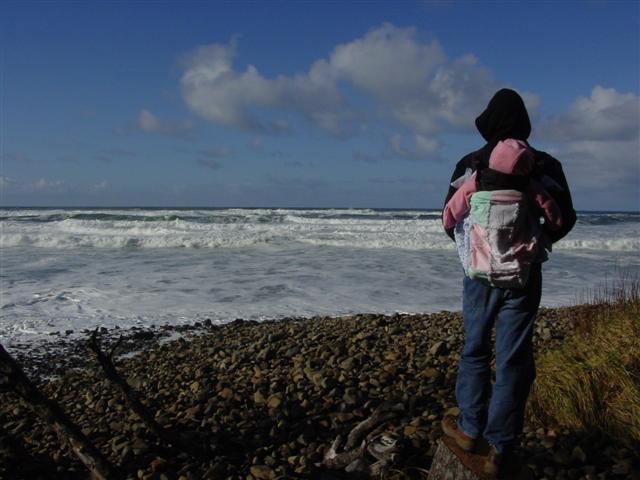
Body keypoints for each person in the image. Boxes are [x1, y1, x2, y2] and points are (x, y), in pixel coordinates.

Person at [440, 88, 576, 477]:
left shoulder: (470, 164)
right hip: (524, 274)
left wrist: (477, 252)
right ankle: (501, 447)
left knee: (476, 349)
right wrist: (530, 247)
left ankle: (468, 429)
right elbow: (564, 219)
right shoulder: (545, 165)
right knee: (515, 356)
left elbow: (447, 219)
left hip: (479, 276)